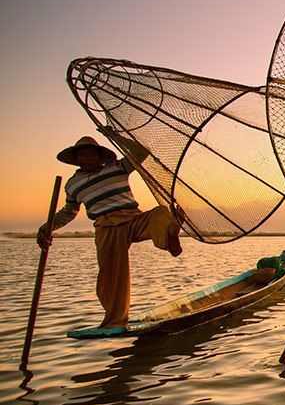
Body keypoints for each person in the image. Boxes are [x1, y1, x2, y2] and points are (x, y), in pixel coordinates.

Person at [37, 130, 184, 331]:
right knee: (110, 275)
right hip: (106, 226)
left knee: (159, 213)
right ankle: (115, 321)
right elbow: (68, 212)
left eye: (92, 154)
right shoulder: (73, 185)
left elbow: (141, 152)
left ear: (100, 157)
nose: (87, 158)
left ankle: (169, 232)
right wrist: (46, 228)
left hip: (132, 218)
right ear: (77, 159)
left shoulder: (117, 167)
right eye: (83, 155)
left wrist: (114, 135)